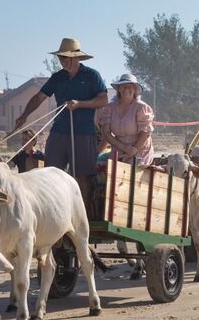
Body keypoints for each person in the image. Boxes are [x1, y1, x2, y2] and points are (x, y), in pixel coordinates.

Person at [15, 38, 108, 208]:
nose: (62, 61)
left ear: (76, 57)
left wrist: (80, 104)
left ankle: (83, 213)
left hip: (83, 132)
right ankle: (52, 211)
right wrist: (25, 115)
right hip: (59, 130)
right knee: (50, 173)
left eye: (65, 57)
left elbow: (103, 100)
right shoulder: (57, 77)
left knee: (82, 175)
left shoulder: (92, 75)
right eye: (60, 57)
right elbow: (39, 97)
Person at [96, 73, 155, 167]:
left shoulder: (141, 107)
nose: (126, 89)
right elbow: (106, 132)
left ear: (135, 90)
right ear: (118, 89)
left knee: (128, 170)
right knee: (103, 168)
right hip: (118, 148)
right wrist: (124, 148)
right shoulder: (110, 107)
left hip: (139, 150)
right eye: (123, 86)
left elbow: (145, 133)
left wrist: (133, 150)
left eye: (130, 86)